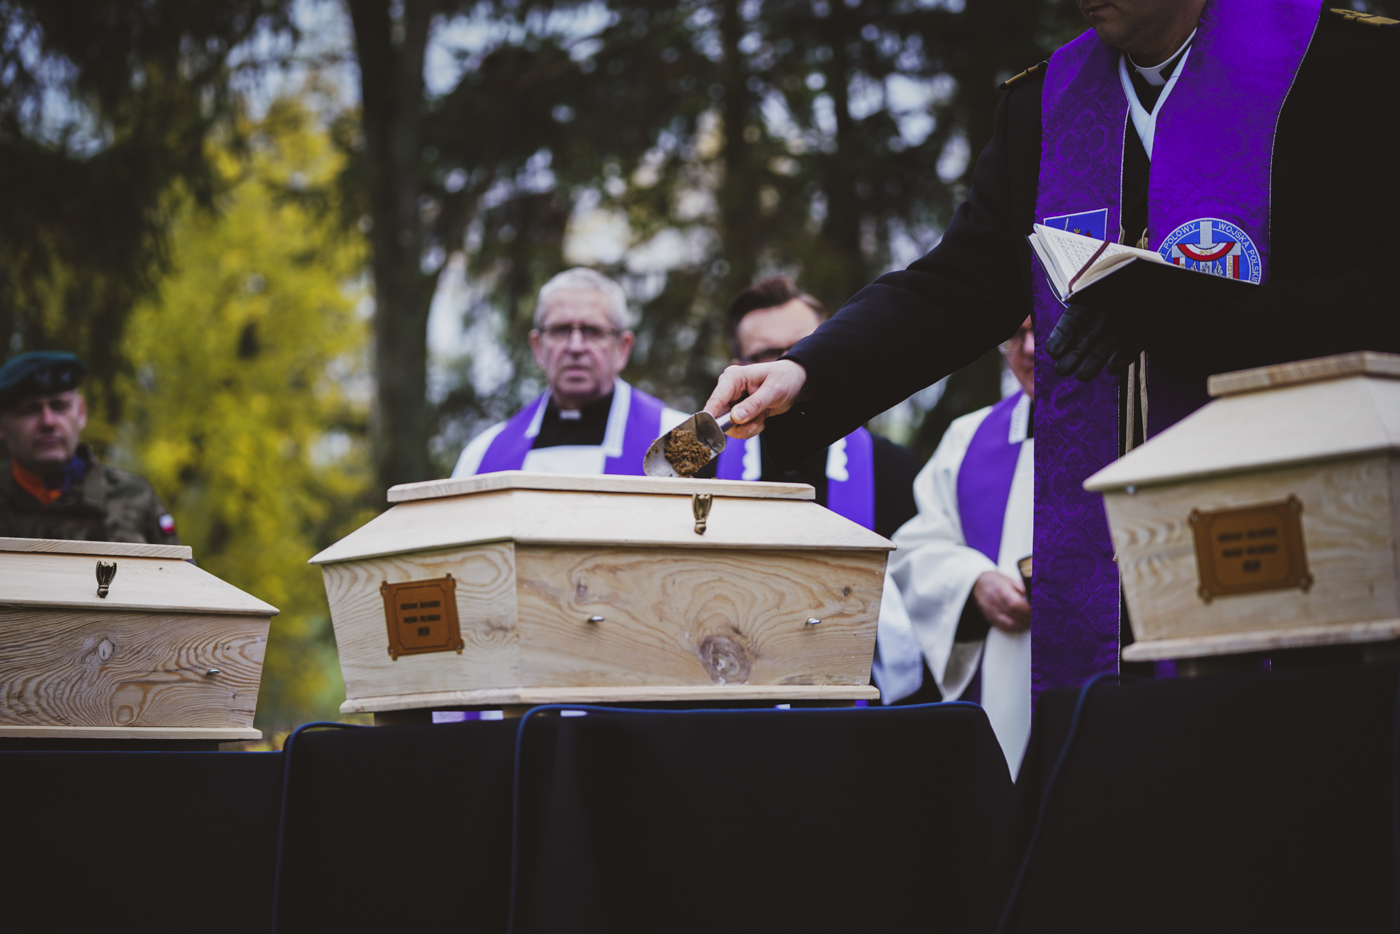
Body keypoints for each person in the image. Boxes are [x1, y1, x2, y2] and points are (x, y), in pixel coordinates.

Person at [704, 0, 1400, 701]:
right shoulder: (1045, 104)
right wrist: (808, 366)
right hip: (1103, 571)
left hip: (1314, 547)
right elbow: (958, 285)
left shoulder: (1351, 65)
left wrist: (1196, 317)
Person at [716, 275, 930, 705]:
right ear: (739, 364)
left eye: (797, 350)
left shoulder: (892, 469)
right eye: (763, 356)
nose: (779, 368)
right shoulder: (708, 473)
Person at [887, 318, 1034, 771]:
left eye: (1045, 327)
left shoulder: (1137, 420)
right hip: (1003, 686)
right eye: (1014, 334)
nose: (1028, 349)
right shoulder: (968, 439)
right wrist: (972, 582)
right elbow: (912, 550)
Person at [452, 268, 687, 477]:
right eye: (560, 330)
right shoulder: (481, 457)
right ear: (538, 347)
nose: (575, 347)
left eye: (593, 331)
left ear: (622, 348)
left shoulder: (678, 444)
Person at [0, 351, 180, 544]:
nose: (48, 421)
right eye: (30, 409)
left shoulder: (135, 498)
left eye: (59, 406)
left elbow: (180, 573)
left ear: (82, 413)